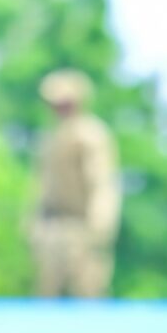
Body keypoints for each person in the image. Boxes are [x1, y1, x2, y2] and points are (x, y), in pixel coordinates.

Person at [31, 71, 120, 299]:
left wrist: (100, 223)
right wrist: (33, 219)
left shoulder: (90, 135)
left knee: (87, 293)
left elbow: (101, 182)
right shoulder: (51, 137)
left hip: (82, 226)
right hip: (53, 226)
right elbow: (43, 184)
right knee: (47, 294)